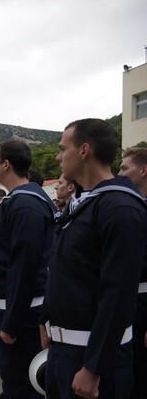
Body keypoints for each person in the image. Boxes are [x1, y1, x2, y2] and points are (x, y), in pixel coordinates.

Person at [42, 119, 147, 399]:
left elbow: (119, 293)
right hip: (66, 352)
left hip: (93, 360)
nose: (57, 156)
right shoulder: (91, 204)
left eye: (63, 148)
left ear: (84, 150)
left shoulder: (120, 207)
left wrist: (94, 367)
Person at [0, 140, 55, 398]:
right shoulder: (18, 201)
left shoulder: (26, 205)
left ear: (6, 164)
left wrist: (12, 323)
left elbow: (25, 267)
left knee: (21, 384)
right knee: (12, 379)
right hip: (3, 309)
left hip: (17, 315)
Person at [118, 146, 147, 399]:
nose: (119, 173)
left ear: (144, 170)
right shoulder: (131, 205)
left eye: (125, 167)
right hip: (128, 304)